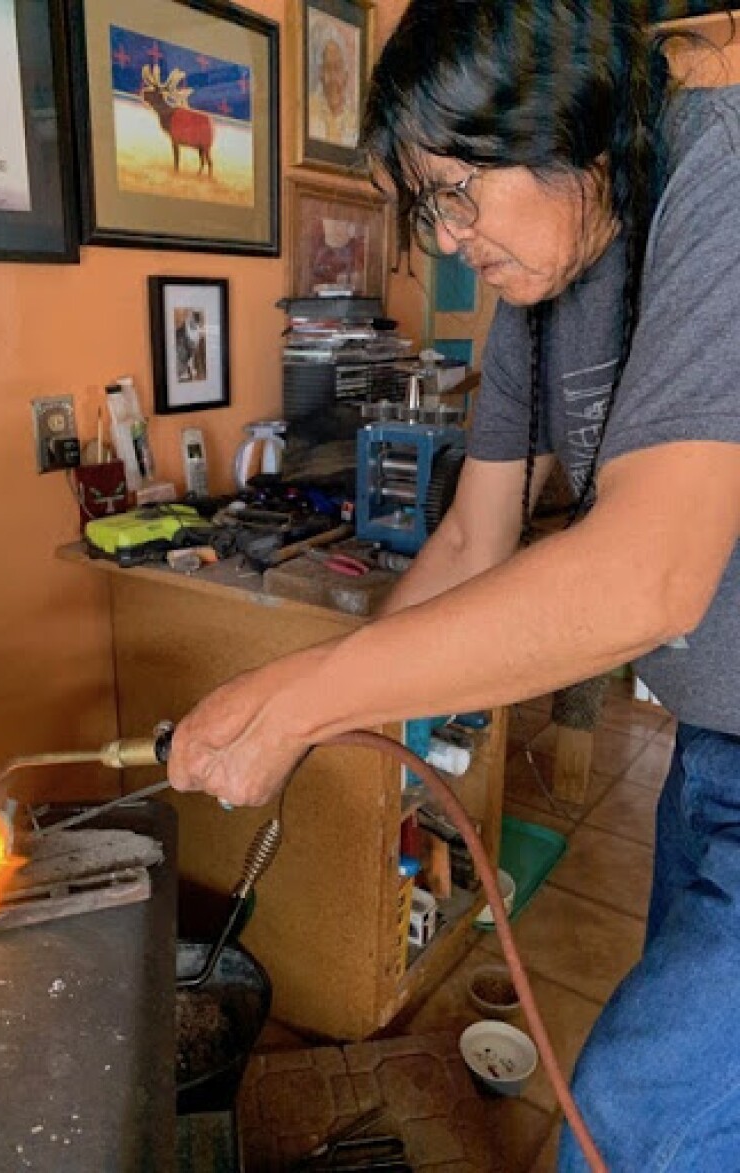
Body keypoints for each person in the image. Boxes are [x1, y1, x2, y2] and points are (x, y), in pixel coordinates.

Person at [170, 1, 740, 1167]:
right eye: (428, 205)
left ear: (558, 125)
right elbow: (474, 541)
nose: (446, 235)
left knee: (630, 1116)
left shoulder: (715, 169)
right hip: (714, 742)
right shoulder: (538, 280)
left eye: (454, 191)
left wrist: (307, 700)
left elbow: (651, 577)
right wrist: (323, 691)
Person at [307, 33, 357, 147]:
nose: (333, 78)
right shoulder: (308, 111)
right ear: (320, 73)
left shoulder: (354, 120)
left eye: (337, 68)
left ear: (346, 75)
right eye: (328, 68)